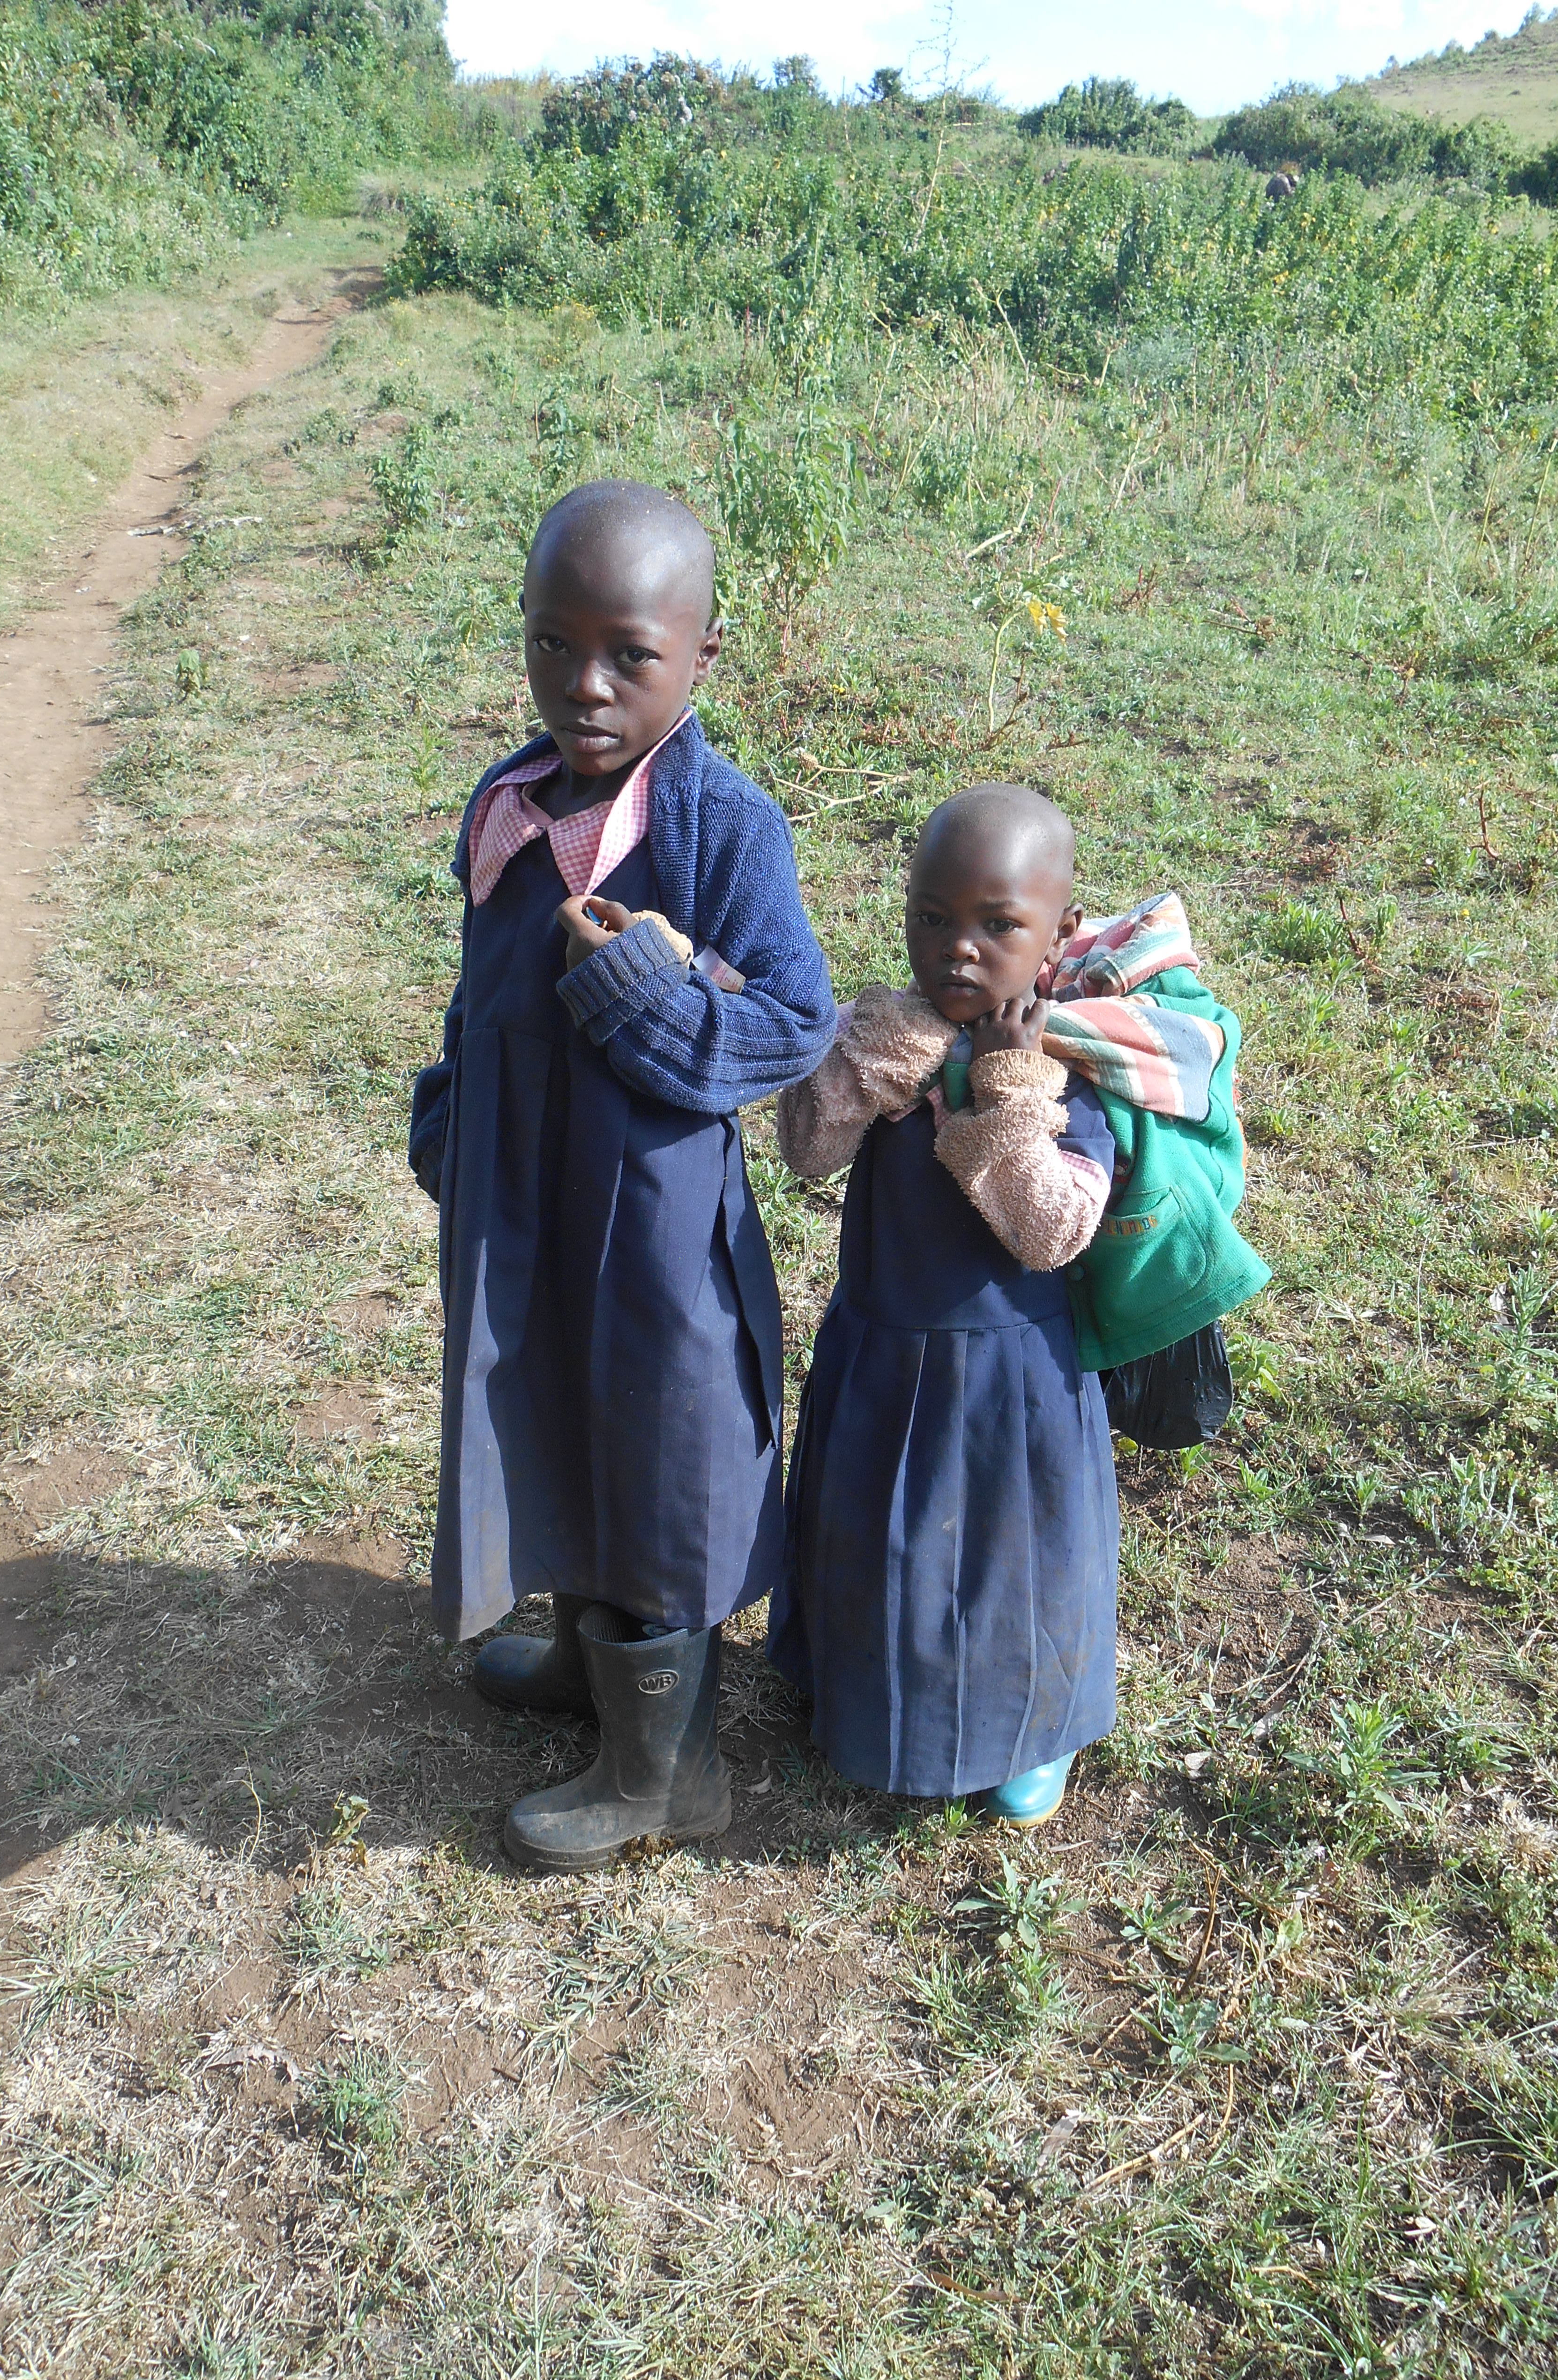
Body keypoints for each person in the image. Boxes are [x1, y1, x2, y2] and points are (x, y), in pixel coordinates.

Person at [409, 480, 835, 1872]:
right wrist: (452, 1113)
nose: (582, 686)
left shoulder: (722, 829)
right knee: (544, 1413)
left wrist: (652, 989)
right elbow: (481, 991)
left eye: (628, 655)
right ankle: (594, 1661)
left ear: (701, 655)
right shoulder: (510, 802)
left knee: (661, 1455)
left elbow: (792, 1022)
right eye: (551, 644)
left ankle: (669, 1766)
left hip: (650, 1233)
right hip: (525, 1202)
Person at [766, 784, 1119, 1829]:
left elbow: (1051, 1230)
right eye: (932, 917)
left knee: (1017, 1563)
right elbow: (806, 1153)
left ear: (1059, 927)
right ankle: (867, 1694)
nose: (958, 948)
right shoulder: (888, 1036)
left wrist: (1006, 1099)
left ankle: (1032, 1729)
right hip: (883, 1347)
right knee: (881, 1540)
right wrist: (863, 1066)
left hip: (1016, 1381)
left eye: (998, 924)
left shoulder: (1072, 1066)